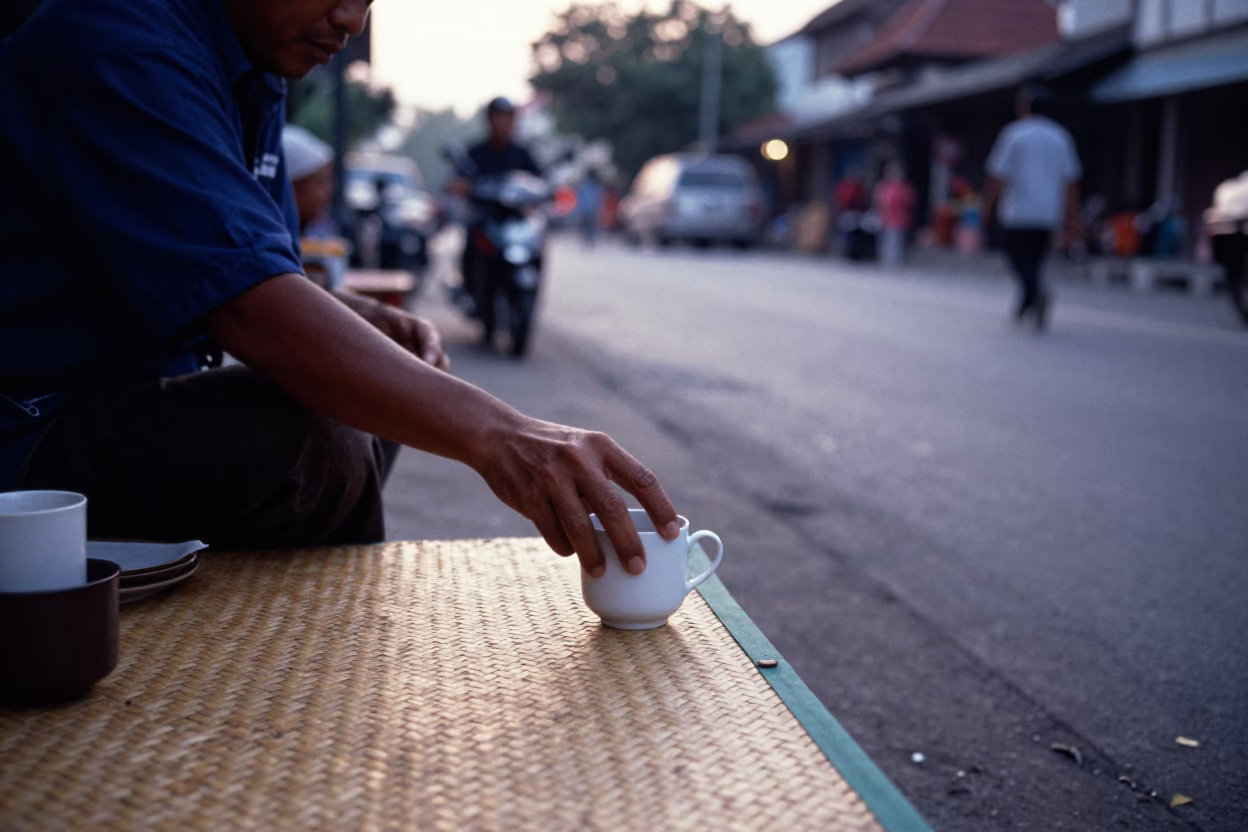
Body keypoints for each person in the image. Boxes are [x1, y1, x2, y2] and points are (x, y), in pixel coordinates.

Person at [0, 0, 679, 578]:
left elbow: (245, 259)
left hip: (125, 393)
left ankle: (286, 628)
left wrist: (355, 316)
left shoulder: (252, 67)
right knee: (311, 440)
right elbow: (246, 305)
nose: (353, 19)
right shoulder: (120, 45)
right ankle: (330, 666)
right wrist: (503, 435)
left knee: (379, 380)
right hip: (29, 427)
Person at [983, 85, 1082, 331]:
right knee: (1034, 263)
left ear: (1025, 107)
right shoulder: (1061, 137)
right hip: (1048, 213)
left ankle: (1035, 294)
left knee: (1018, 260)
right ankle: (1028, 301)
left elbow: (997, 175)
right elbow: (1071, 183)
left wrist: (987, 206)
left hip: (1017, 211)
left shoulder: (1015, 134)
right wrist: (1071, 217)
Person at [873, 163, 916, 266]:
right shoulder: (883, 187)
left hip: (899, 219)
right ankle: (887, 261)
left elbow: (910, 203)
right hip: (885, 219)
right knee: (886, 241)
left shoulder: (905, 189)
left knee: (897, 241)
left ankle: (896, 262)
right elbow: (878, 203)